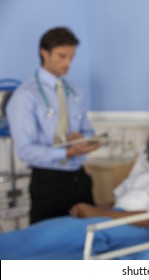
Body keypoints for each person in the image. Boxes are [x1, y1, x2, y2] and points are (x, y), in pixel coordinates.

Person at [0, 117, 149, 259]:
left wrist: (97, 212)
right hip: (112, 217)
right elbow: (117, 202)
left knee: (58, 236)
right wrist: (88, 210)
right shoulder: (146, 172)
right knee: (56, 231)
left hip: (138, 228)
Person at [6, 27, 101, 224]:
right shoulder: (25, 96)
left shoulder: (74, 90)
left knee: (89, 240)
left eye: (72, 57)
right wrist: (67, 152)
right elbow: (26, 151)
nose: (68, 63)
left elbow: (88, 129)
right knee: (49, 247)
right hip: (48, 183)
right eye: (62, 56)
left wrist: (84, 139)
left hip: (79, 179)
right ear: (44, 52)